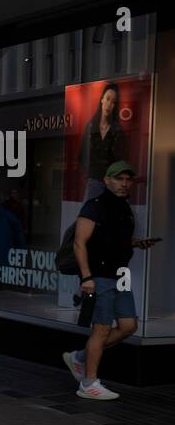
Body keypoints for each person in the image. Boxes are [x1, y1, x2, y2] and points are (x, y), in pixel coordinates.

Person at [63, 161, 159, 401]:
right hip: (99, 276)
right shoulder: (95, 206)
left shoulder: (124, 208)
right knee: (102, 328)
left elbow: (114, 240)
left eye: (128, 180)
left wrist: (137, 243)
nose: (124, 183)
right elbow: (79, 242)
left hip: (120, 275)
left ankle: (79, 358)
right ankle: (89, 383)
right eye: (119, 179)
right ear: (107, 180)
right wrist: (86, 277)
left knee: (129, 326)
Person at [78, 83, 128, 200]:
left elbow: (121, 160)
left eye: (114, 102)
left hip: (111, 185)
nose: (109, 104)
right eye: (108, 99)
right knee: (89, 214)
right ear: (102, 100)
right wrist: (89, 175)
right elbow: (82, 155)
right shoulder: (90, 126)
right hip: (93, 182)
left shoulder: (117, 129)